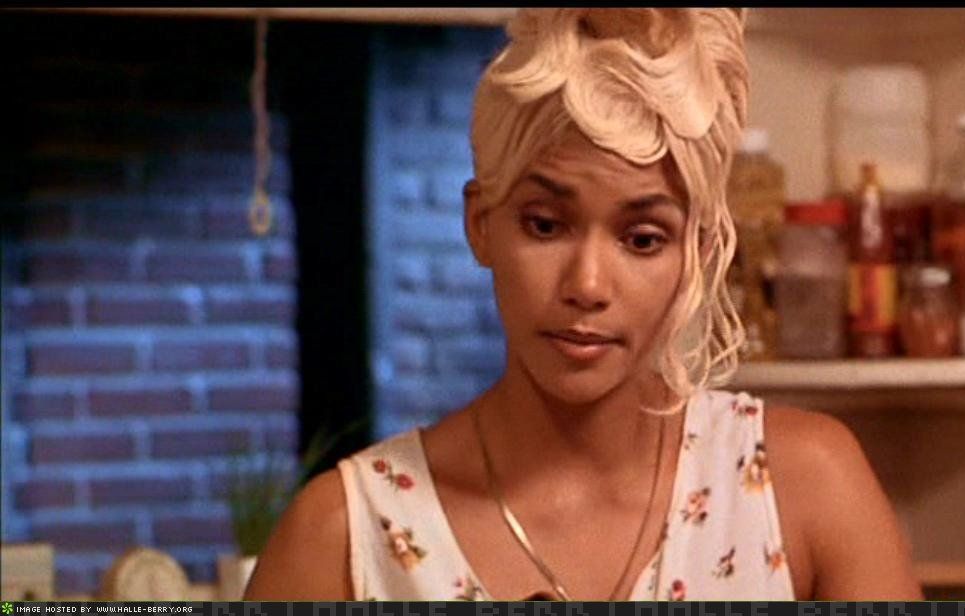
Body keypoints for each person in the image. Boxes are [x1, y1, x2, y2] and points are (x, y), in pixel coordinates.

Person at [244, 8, 922, 601]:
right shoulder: (343, 536)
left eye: (642, 238)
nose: (588, 284)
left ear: (699, 249)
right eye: (545, 225)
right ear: (481, 224)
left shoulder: (802, 489)